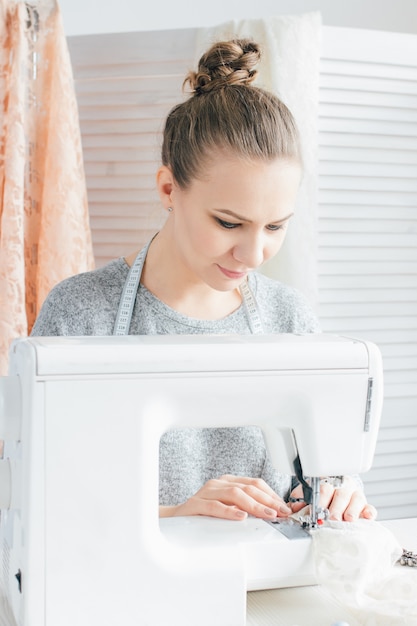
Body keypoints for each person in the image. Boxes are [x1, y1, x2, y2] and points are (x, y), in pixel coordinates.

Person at [31, 38, 376, 523]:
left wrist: (342, 493)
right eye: (229, 223)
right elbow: (40, 501)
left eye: (275, 226)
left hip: (265, 588)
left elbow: (325, 469)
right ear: (169, 188)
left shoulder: (290, 317)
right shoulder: (81, 313)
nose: (254, 255)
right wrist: (174, 515)